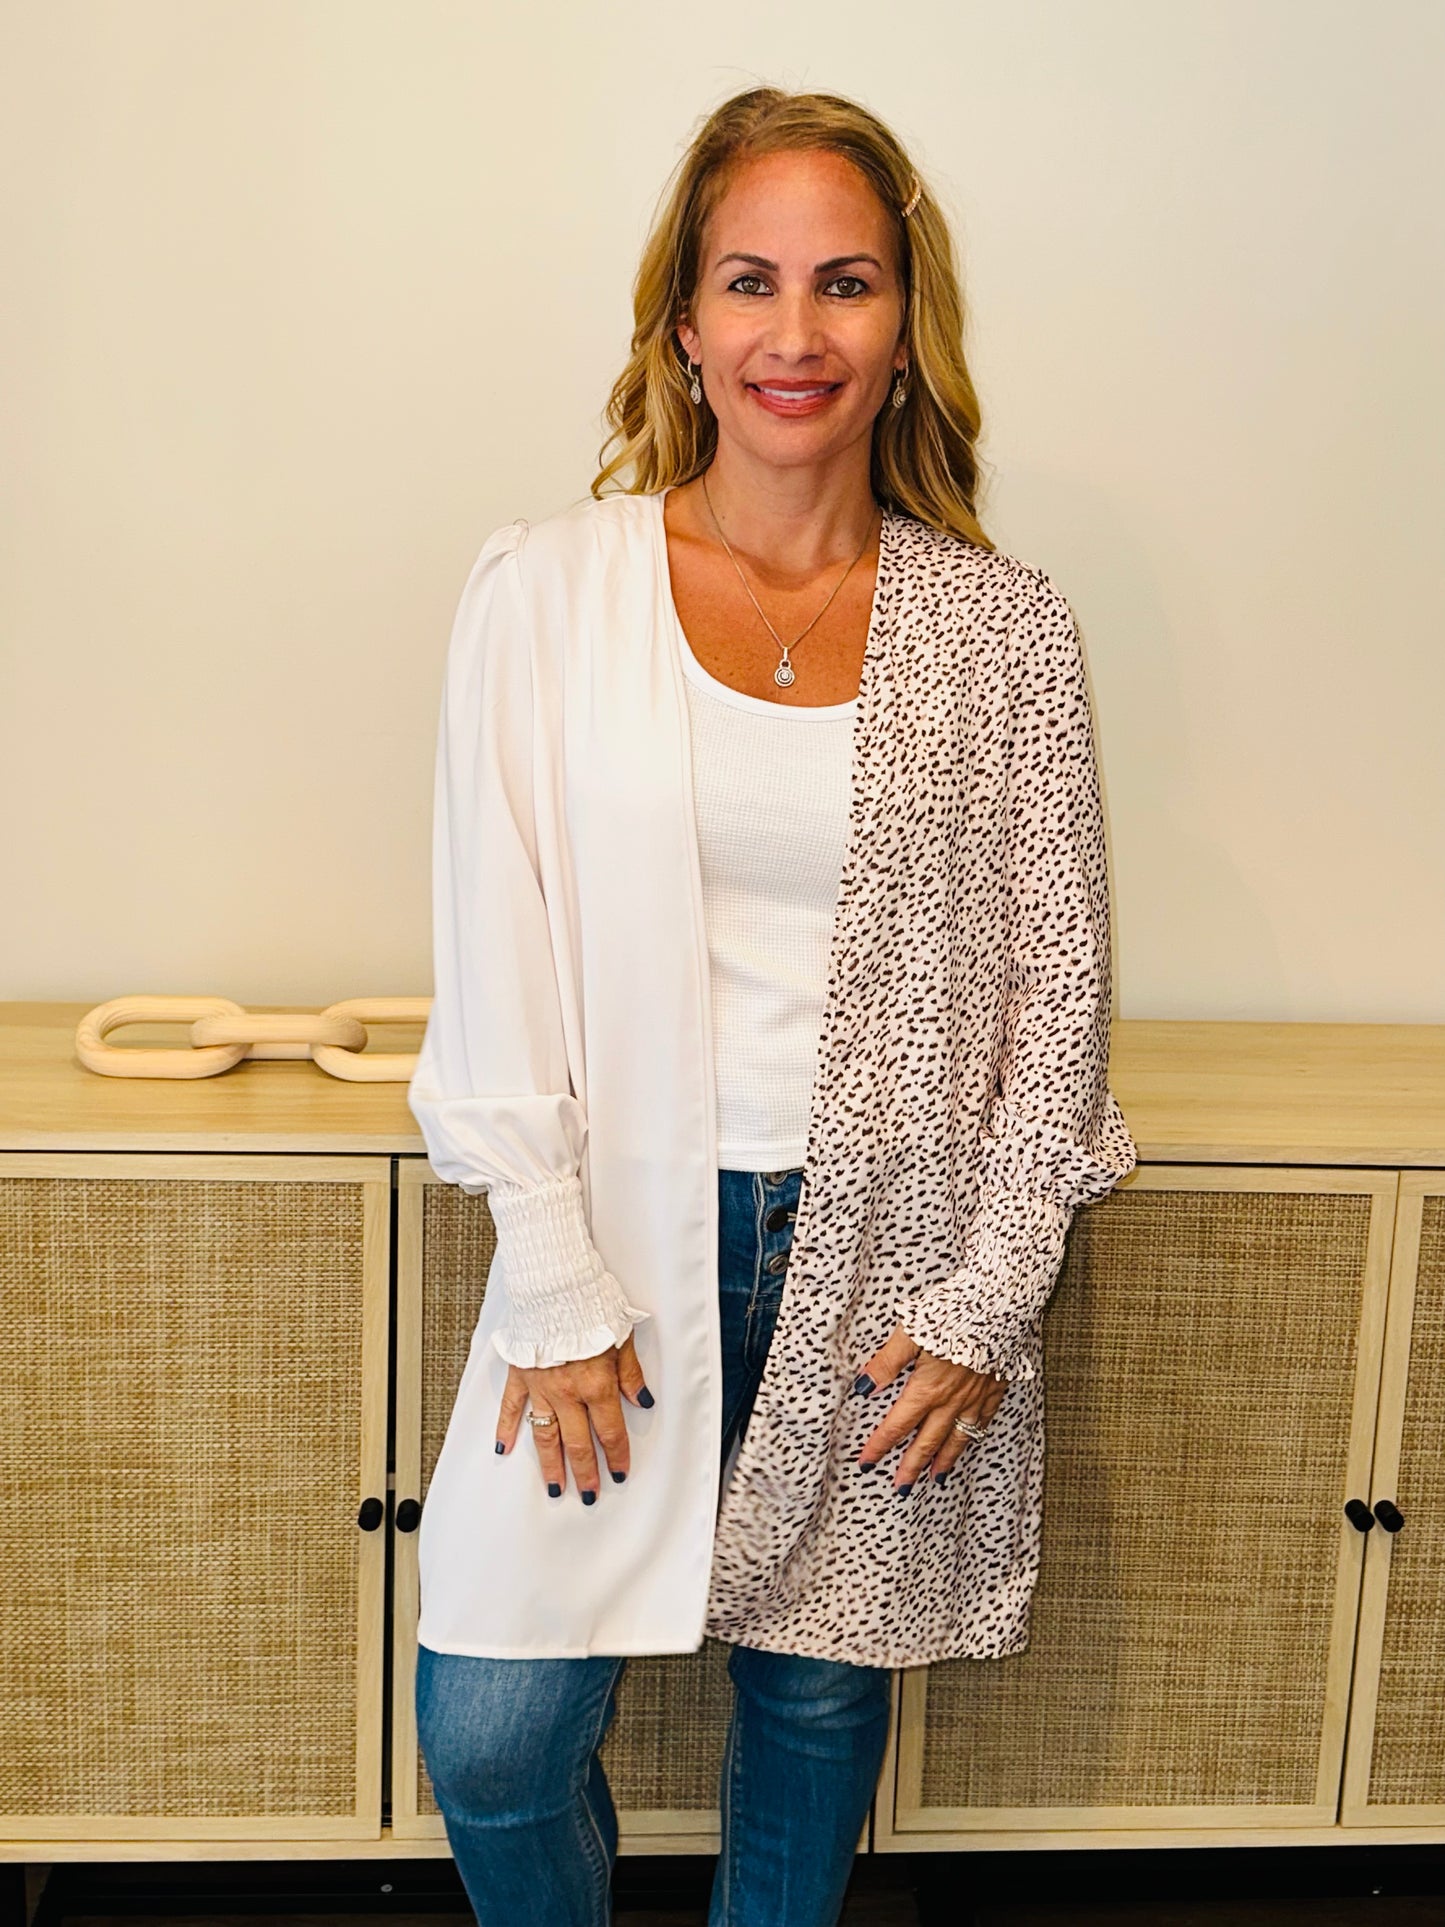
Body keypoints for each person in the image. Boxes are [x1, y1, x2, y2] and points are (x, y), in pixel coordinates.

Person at [407, 85, 1137, 1927]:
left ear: (904, 326)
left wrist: (986, 1299)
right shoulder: (549, 594)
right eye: (749, 282)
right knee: (495, 1729)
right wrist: (551, 1272)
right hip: (617, 1241)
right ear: (683, 322)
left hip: (889, 1246)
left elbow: (1055, 996)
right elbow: (490, 936)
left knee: (811, 1700)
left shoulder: (1003, 632)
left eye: (844, 283)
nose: (793, 333)